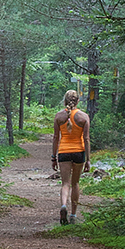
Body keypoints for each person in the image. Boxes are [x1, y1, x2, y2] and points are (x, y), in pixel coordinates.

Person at [51, 89, 90, 225]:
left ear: (65, 101)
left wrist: (53, 157)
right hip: (79, 152)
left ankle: (63, 206)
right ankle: (73, 215)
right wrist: (88, 160)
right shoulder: (83, 117)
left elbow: (56, 138)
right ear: (77, 101)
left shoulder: (58, 116)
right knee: (75, 183)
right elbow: (86, 138)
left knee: (65, 183)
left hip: (64, 152)